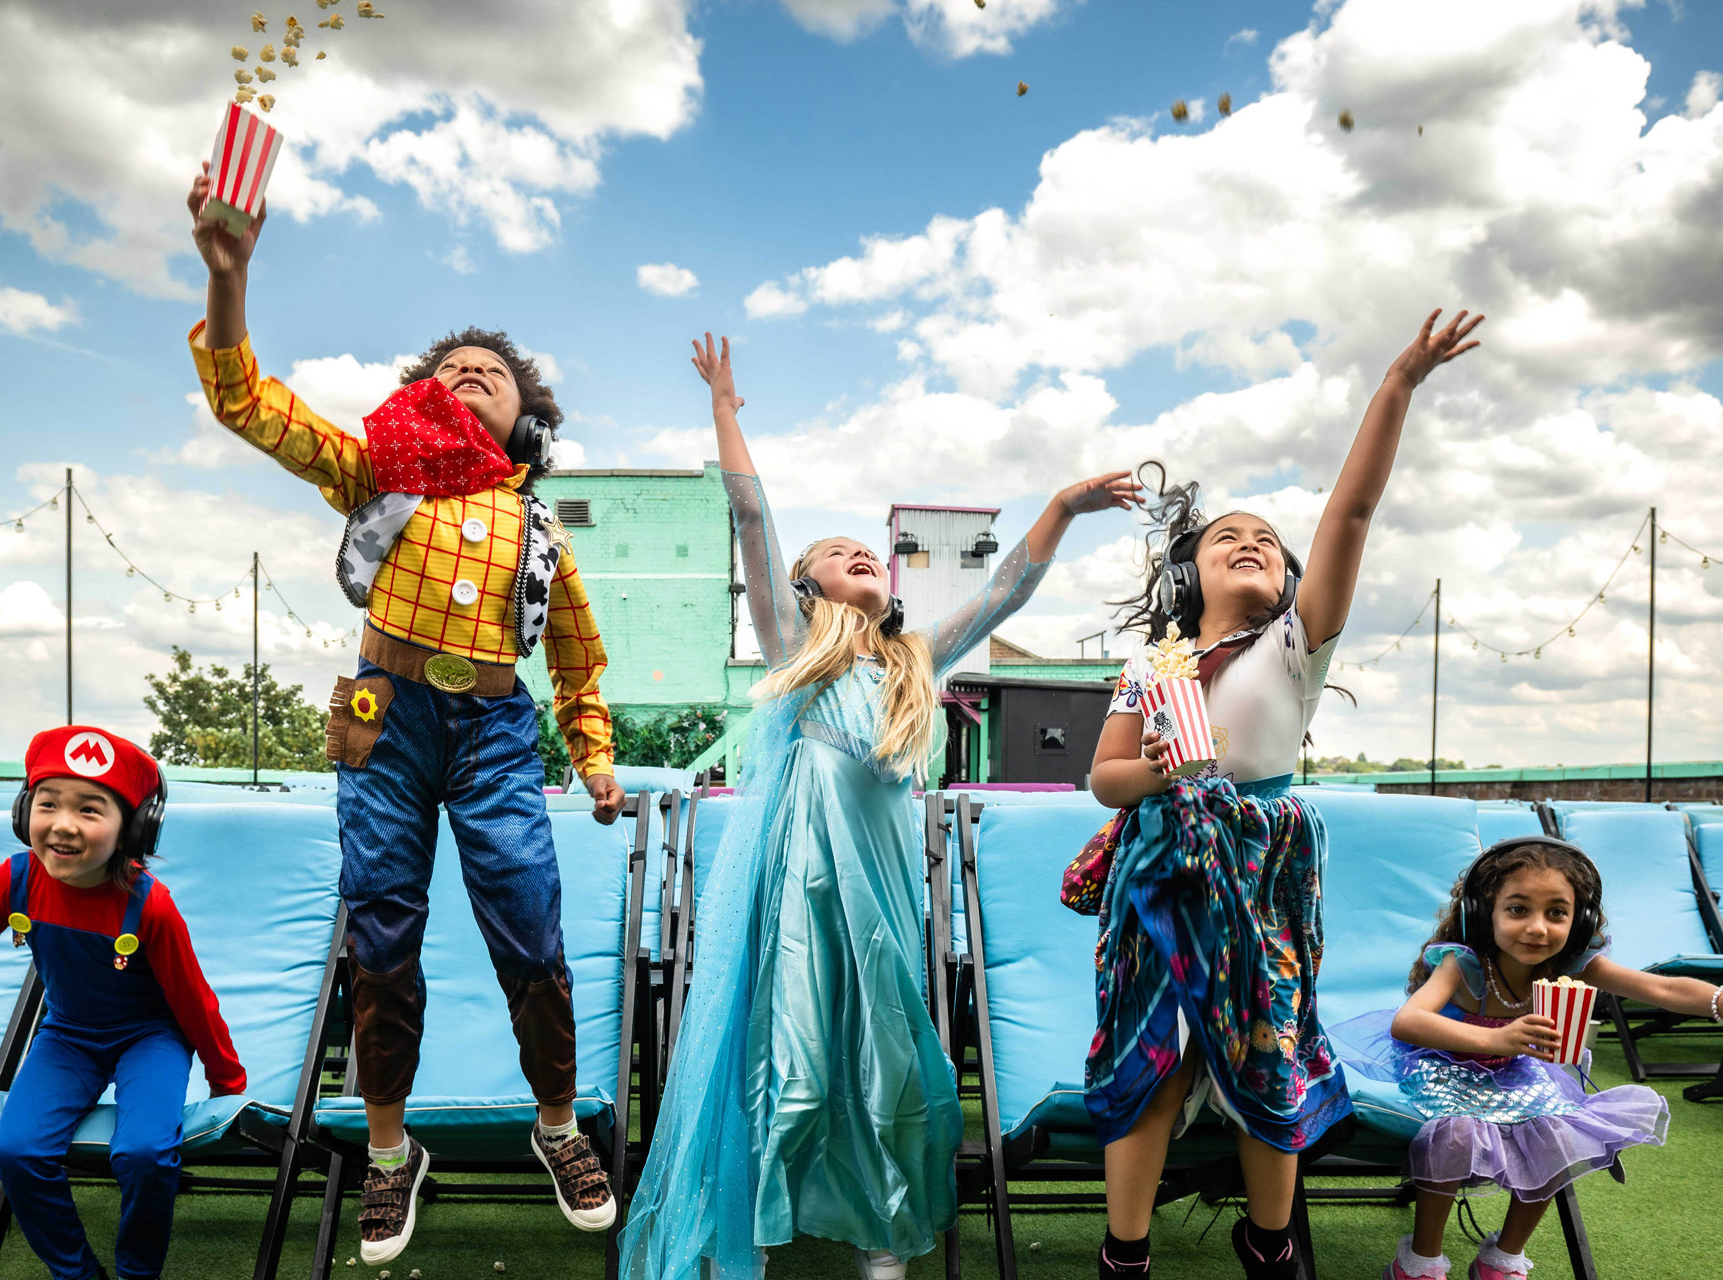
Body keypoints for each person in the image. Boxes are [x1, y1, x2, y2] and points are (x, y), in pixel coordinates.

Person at [619, 333, 1141, 1280]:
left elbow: (1006, 590)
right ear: (806, 585)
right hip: (805, 889)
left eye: (868, 550)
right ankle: (761, 1220)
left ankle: (882, 1229)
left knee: (890, 1056)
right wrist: (727, 410)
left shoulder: (913, 661)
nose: (858, 555)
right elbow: (750, 516)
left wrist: (1064, 505)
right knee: (793, 1054)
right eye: (834, 552)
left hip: (892, 893)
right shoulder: (793, 650)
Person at [185, 167, 626, 1263]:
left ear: (527, 415)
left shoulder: (540, 532)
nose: (471, 371)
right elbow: (250, 405)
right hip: (384, 721)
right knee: (382, 926)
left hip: (493, 735)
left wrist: (597, 756)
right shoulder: (381, 473)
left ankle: (559, 1125)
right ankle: (391, 1152)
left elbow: (578, 655)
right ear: (425, 393)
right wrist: (229, 278)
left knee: (529, 916)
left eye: (495, 372)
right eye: (452, 366)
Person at [1076, 309, 1486, 1279]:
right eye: (1228, 536)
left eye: (1267, 537)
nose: (1251, 541)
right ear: (1192, 568)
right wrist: (1171, 771)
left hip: (1259, 883)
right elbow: (1106, 778)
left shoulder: (1292, 648)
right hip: (1158, 885)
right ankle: (1122, 1254)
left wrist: (1398, 382)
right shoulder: (1155, 664)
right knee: (1155, 1064)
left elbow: (1348, 513)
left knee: (1269, 1056)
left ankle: (1269, 1241)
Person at [0, 726, 241, 1280]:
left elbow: (193, 999)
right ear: (25, 810)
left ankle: (138, 1273)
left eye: (91, 810)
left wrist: (226, 1082)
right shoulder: (15, 880)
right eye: (48, 803)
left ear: (133, 830)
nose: (64, 824)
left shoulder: (152, 906)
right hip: (69, 1035)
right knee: (18, 1152)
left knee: (143, 1154)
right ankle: (78, 1275)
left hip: (151, 1037)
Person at [1333, 836, 1719, 1280]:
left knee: (1559, 1134)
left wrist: (1720, 1001)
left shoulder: (1571, 964)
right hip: (1446, 1069)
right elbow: (1408, 1022)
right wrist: (1502, 1039)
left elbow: (1664, 989)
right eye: (1518, 909)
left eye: (1556, 912)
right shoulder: (1464, 964)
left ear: (1579, 921)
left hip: (1517, 1075)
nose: (1538, 928)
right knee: (1454, 1136)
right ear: (1484, 914)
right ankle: (1421, 1261)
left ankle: (1503, 1257)